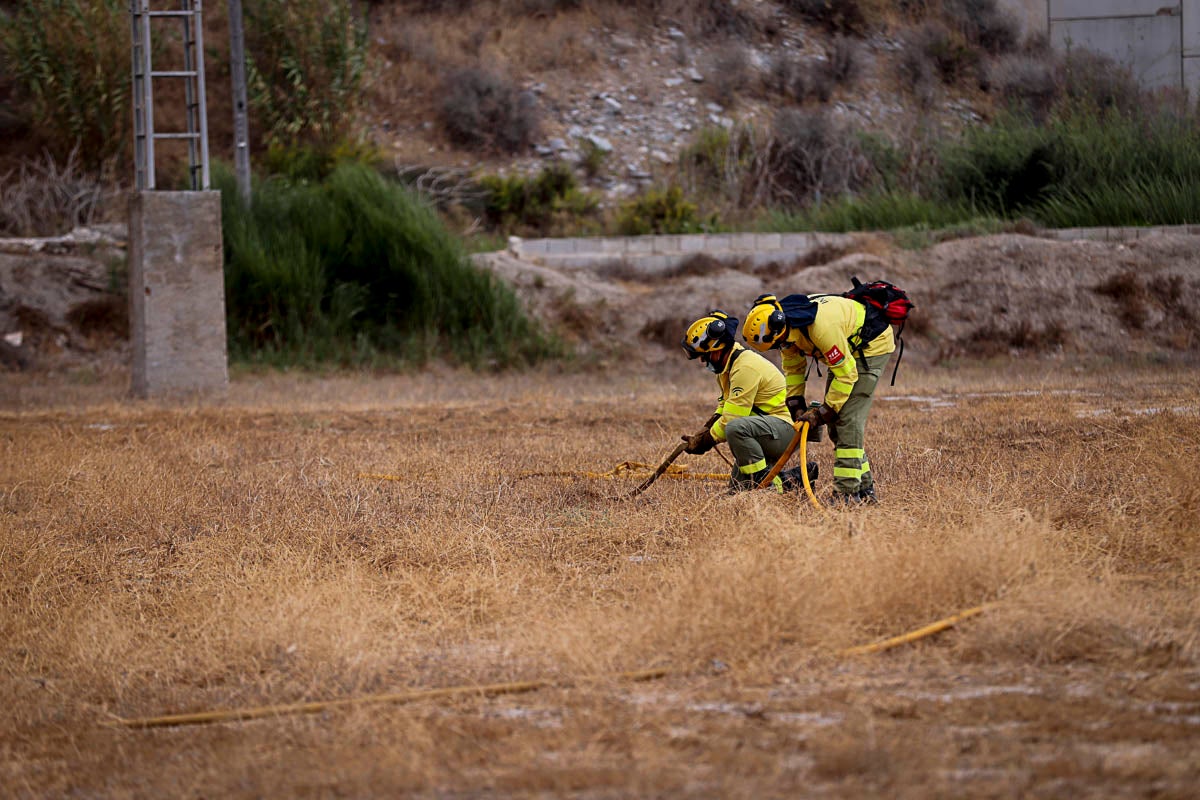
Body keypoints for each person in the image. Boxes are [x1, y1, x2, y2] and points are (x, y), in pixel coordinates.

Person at [741, 292, 895, 505]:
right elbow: (793, 368)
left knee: (846, 420)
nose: (781, 347)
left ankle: (846, 496)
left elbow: (847, 375)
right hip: (847, 353)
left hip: (871, 347)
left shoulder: (821, 328)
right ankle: (865, 491)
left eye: (778, 343)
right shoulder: (787, 330)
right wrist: (796, 403)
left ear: (780, 328)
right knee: (836, 425)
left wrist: (823, 412)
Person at [680, 309, 815, 493]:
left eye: (705, 355)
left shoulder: (745, 367)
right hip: (765, 430)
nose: (702, 361)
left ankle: (766, 482)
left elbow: (731, 419)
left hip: (784, 430)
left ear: (719, 348)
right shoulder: (727, 367)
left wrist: (705, 442)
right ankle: (795, 480)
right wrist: (704, 430)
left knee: (734, 428)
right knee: (738, 492)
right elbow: (725, 407)